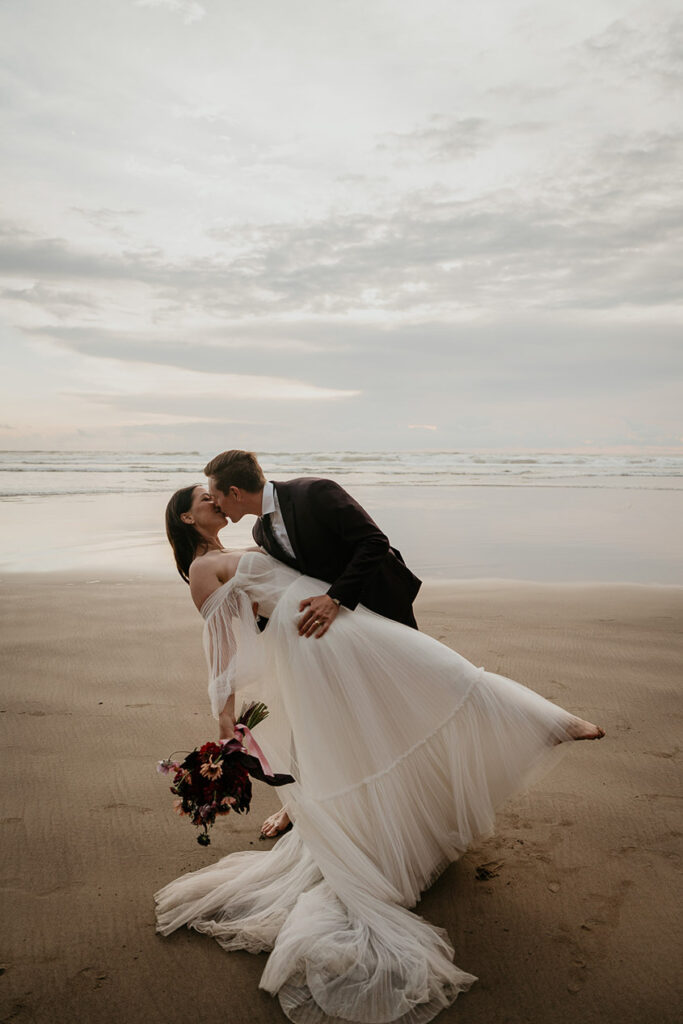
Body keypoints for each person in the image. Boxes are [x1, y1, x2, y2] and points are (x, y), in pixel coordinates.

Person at [157, 484, 605, 1024]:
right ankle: (545, 725)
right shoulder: (203, 570)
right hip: (312, 646)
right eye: (205, 499)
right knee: (413, 692)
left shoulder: (250, 540)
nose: (215, 502)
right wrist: (223, 711)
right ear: (188, 516)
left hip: (341, 624)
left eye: (216, 494)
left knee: (432, 674)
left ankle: (545, 723)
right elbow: (223, 642)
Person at [204, 449, 424, 837]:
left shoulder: (314, 493)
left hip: (378, 605)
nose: (216, 504)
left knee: (405, 695)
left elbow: (374, 542)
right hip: (333, 633)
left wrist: (335, 597)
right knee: (349, 714)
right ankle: (361, 800)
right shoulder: (260, 533)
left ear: (235, 491)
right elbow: (293, 584)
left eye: (216, 495)